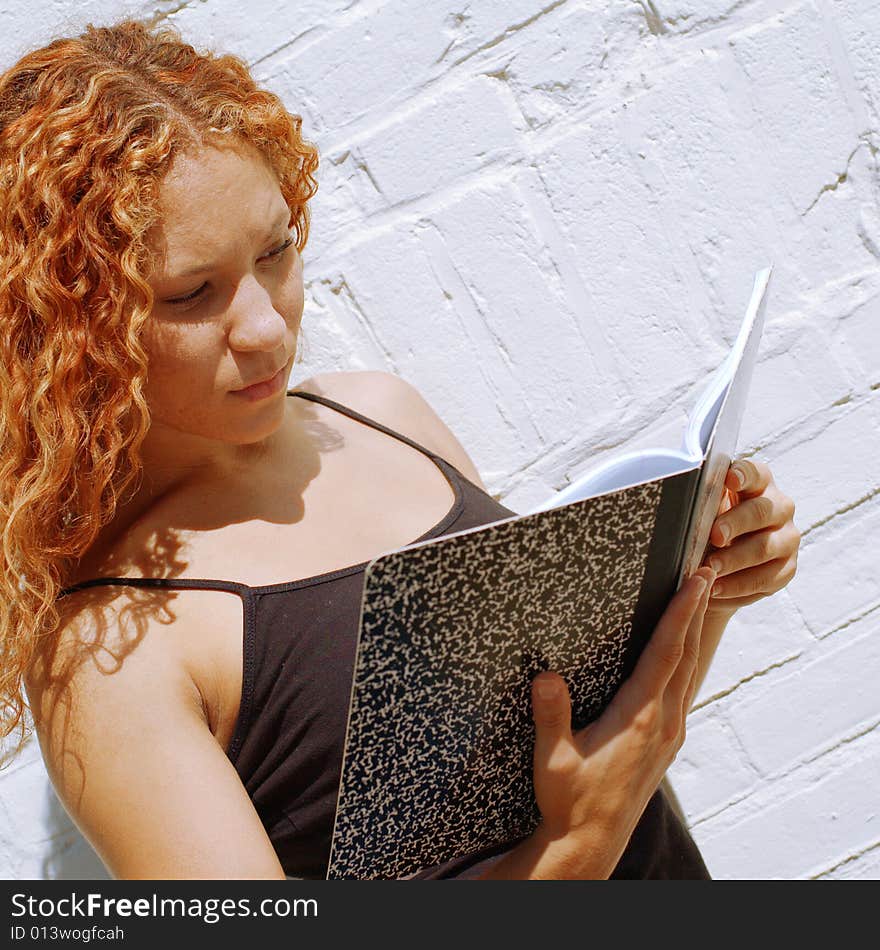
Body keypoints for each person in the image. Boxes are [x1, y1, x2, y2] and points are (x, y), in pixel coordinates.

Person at [0, 19, 801, 881]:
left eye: (277, 251)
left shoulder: (378, 413)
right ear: (70, 328)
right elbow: (586, 816)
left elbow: (594, 744)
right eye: (193, 294)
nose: (268, 328)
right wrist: (576, 845)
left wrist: (710, 576)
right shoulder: (109, 653)